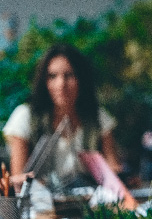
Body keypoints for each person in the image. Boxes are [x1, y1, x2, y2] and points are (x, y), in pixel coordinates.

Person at [3, 43, 123, 188]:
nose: (61, 84)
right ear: (44, 81)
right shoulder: (25, 117)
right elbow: (17, 181)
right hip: (42, 206)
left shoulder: (98, 117)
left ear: (81, 79)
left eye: (69, 75)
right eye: (52, 76)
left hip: (91, 205)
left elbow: (113, 169)